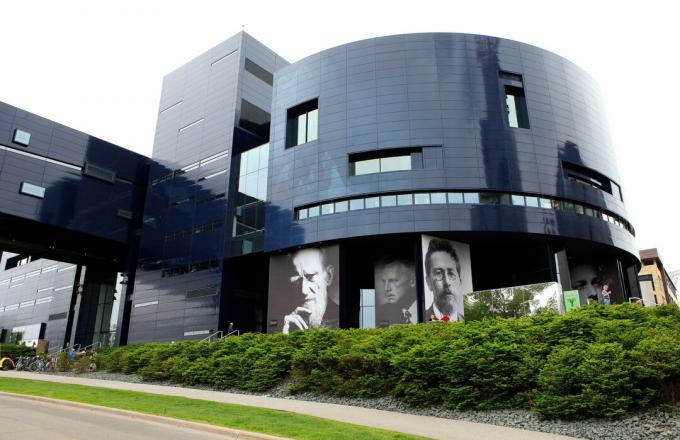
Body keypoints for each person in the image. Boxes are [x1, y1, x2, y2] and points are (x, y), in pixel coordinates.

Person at [282, 247, 338, 334]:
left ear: (329, 276)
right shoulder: (289, 322)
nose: (303, 290)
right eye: (296, 279)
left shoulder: (344, 321)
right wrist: (286, 338)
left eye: (311, 276)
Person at [424, 238, 464, 321]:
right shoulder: (420, 322)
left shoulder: (470, 323)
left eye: (451, 274)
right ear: (428, 282)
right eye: (438, 273)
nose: (447, 282)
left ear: (460, 282)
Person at [375, 257, 417, 326]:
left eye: (393, 281)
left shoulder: (429, 309)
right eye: (384, 282)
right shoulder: (383, 312)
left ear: (412, 281)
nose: (386, 288)